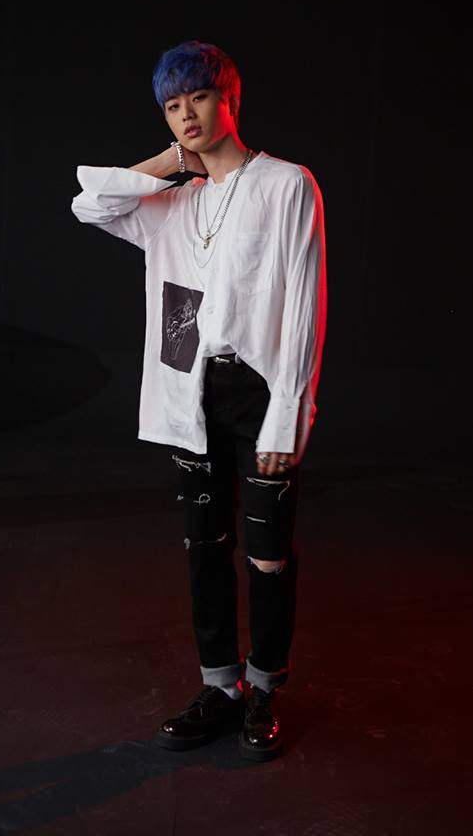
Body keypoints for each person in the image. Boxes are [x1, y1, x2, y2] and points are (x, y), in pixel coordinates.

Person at [71, 40, 327, 761]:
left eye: (199, 98)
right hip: (190, 391)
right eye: (172, 106)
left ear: (229, 100)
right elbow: (88, 204)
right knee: (204, 549)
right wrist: (167, 163)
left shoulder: (286, 185)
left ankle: (265, 687)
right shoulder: (173, 203)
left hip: (260, 390)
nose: (187, 114)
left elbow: (305, 309)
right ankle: (221, 688)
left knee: (268, 555)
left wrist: (289, 415)